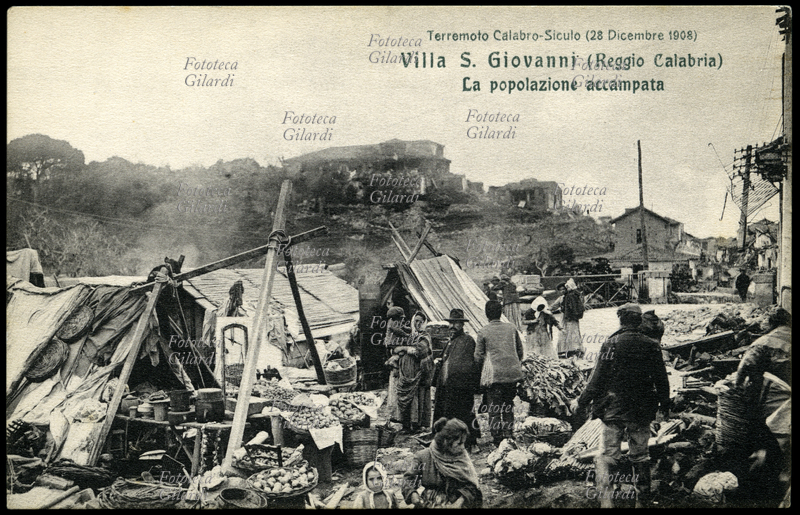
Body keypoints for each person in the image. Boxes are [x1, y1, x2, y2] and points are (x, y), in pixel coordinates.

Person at [572, 303, 670, 509]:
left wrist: (581, 402)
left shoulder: (611, 344)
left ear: (621, 319)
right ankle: (641, 502)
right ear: (638, 320)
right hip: (641, 411)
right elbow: (661, 379)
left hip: (613, 410)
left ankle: (607, 503)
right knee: (641, 456)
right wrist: (665, 404)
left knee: (607, 455)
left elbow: (596, 380)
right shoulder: (652, 345)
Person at [402, 417, 483, 509]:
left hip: (455, 502)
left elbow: (472, 485)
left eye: (463, 443)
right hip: (428, 503)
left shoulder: (462, 458)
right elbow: (409, 479)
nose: (463, 447)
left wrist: (458, 503)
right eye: (459, 443)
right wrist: (413, 494)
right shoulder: (423, 457)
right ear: (446, 443)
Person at [475, 299, 524, 445]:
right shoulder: (511, 328)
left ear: (486, 314)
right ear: (501, 312)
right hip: (512, 375)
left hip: (494, 377)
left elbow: (478, 357)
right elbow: (520, 351)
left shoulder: (483, 331)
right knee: (508, 405)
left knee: (494, 408)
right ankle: (509, 436)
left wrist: (485, 368)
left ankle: (497, 438)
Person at [433, 308, 481, 452]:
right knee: (447, 414)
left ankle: (472, 442)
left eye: (456, 323)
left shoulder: (468, 340)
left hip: (462, 386)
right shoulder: (450, 342)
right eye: (451, 323)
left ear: (462, 325)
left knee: (466, 413)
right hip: (447, 386)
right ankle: (451, 443)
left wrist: (469, 383)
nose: (452, 326)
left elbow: (471, 364)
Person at [394, 311, 433, 434]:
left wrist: (404, 348)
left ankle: (417, 425)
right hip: (406, 374)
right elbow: (397, 348)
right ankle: (406, 425)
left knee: (418, 397)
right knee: (406, 398)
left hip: (418, 373)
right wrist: (402, 350)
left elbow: (420, 350)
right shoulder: (410, 336)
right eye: (416, 321)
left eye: (421, 321)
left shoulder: (425, 336)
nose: (418, 323)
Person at [385, 305, 410, 424]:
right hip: (392, 345)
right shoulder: (392, 323)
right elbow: (398, 330)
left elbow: (403, 327)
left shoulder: (397, 322)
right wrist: (407, 335)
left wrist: (408, 328)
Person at [556, 278, 585, 358]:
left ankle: (571, 350)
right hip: (571, 317)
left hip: (569, 317)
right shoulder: (574, 295)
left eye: (564, 289)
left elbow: (571, 308)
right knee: (572, 332)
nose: (562, 291)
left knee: (570, 332)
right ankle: (573, 349)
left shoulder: (569, 296)